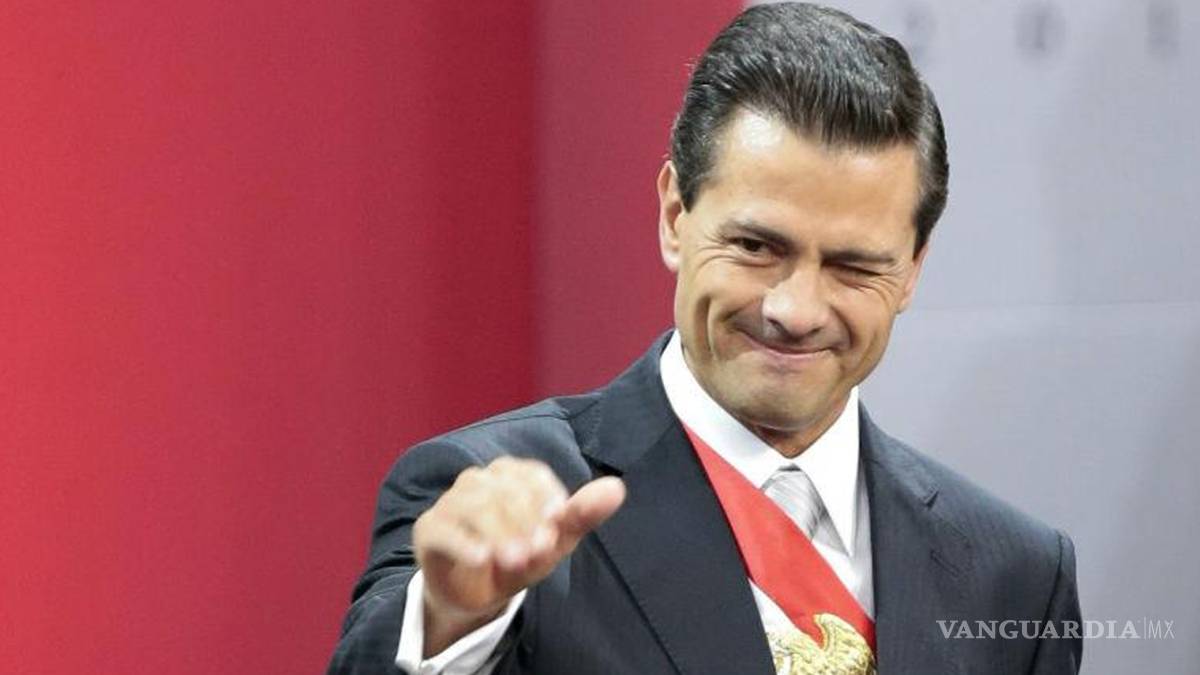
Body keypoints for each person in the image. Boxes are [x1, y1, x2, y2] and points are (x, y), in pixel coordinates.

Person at [327, 4, 1082, 674]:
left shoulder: (1015, 574)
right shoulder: (497, 499)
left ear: (913, 269)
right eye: (756, 246)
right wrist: (453, 619)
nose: (795, 309)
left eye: (853, 266)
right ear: (674, 217)